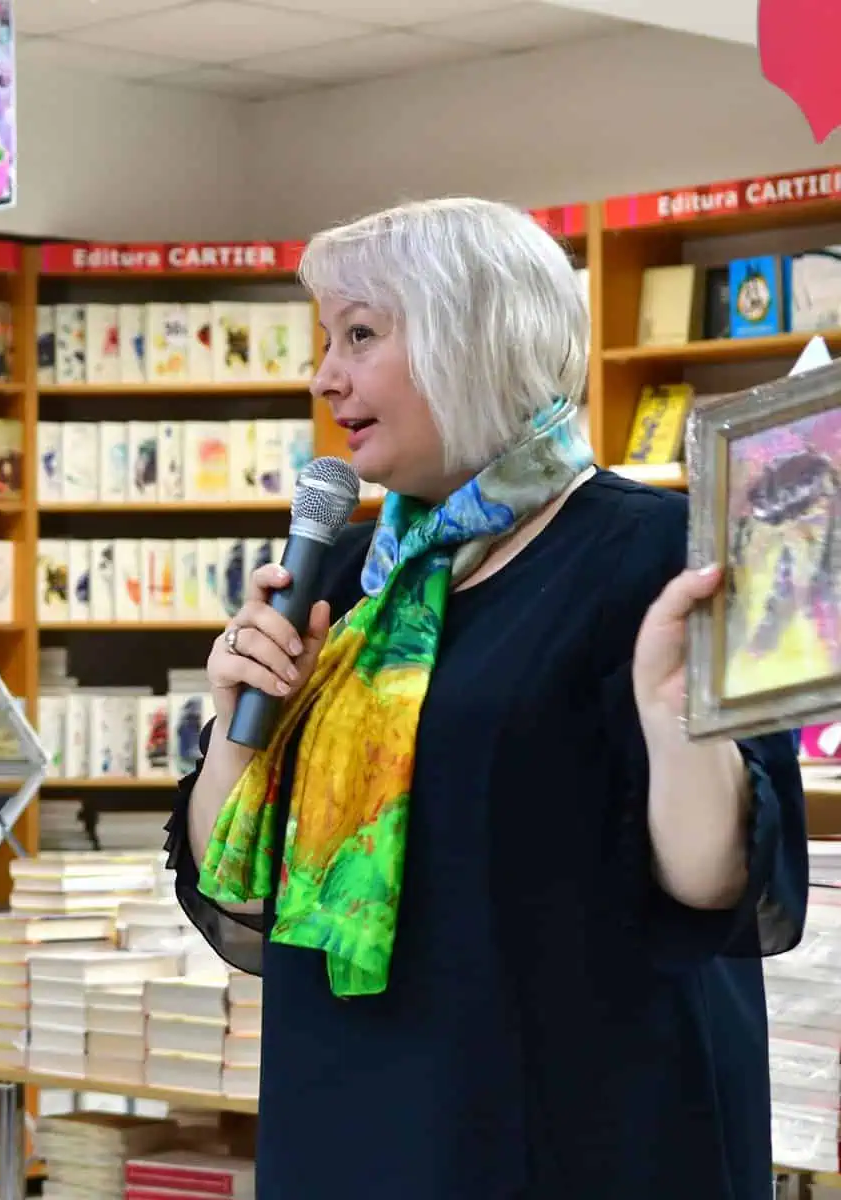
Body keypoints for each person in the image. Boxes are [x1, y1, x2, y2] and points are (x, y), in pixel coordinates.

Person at [165, 197, 807, 1200]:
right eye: (327, 341)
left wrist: (676, 721)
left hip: (569, 1138)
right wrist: (242, 729)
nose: (324, 376)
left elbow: (717, 882)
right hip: (347, 1127)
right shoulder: (342, 576)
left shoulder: (658, 553)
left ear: (472, 339)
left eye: (361, 335)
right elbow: (240, 892)